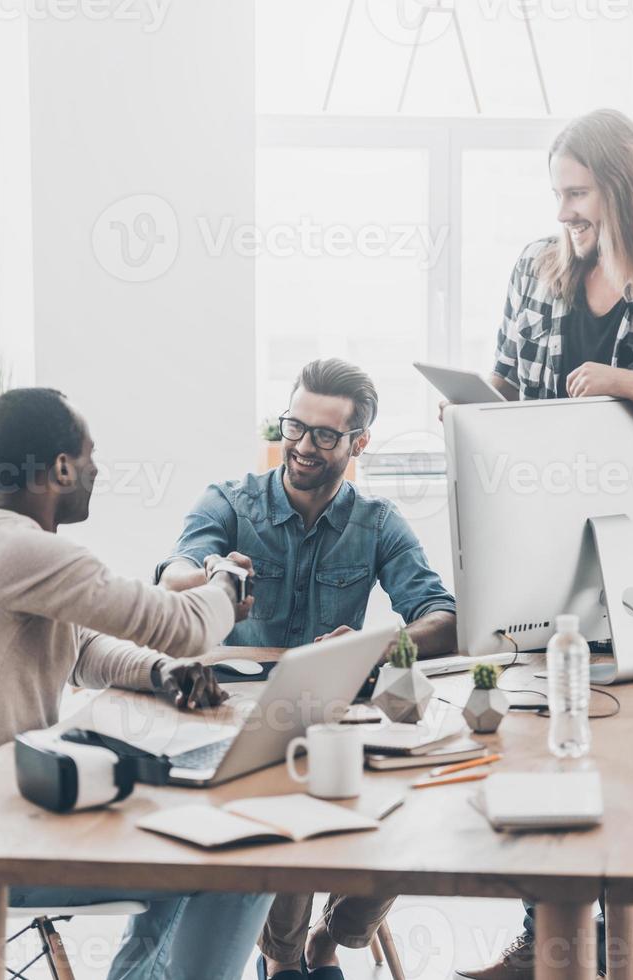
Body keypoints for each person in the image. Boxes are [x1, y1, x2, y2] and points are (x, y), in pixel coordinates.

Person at [158, 357, 457, 980]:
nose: (302, 446)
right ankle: (285, 960)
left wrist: (377, 644)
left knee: (424, 806)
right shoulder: (231, 501)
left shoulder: (377, 524)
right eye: (294, 426)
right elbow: (171, 576)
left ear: (359, 443)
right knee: (290, 789)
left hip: (333, 711)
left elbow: (442, 616)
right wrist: (216, 574)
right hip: (234, 718)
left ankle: (333, 937)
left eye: (324, 435)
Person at [455, 107, 633, 980]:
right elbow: (506, 379)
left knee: (631, 748)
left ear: (623, 185)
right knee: (539, 726)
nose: (565, 212)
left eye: (579, 194)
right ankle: (547, 939)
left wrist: (624, 383)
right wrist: (468, 405)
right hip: (543, 535)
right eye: (558, 194)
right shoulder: (536, 271)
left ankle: (624, 946)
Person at [0, 387, 273, 980]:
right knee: (251, 855)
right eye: (91, 455)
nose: (99, 469)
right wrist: (225, 583)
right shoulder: (24, 549)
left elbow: (79, 645)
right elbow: (183, 624)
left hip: (24, 804)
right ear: (63, 467)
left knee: (191, 825)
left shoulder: (13, 547)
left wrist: (159, 672)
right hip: (12, 837)